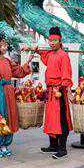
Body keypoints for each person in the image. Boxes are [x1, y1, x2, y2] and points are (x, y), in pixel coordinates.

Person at [26, 26, 73, 159]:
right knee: (51, 119)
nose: (52, 43)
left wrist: (62, 88)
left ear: (60, 41)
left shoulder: (64, 56)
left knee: (61, 120)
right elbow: (44, 56)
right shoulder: (51, 54)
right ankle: (53, 145)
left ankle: (62, 149)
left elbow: (66, 75)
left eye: (54, 40)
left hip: (59, 91)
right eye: (50, 40)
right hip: (51, 91)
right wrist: (36, 50)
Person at [0, 35, 33, 157]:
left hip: (9, 93)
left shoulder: (7, 61)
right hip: (0, 93)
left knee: (10, 117)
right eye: (2, 45)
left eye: (5, 44)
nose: (5, 46)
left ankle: (5, 144)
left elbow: (18, 71)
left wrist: (28, 62)